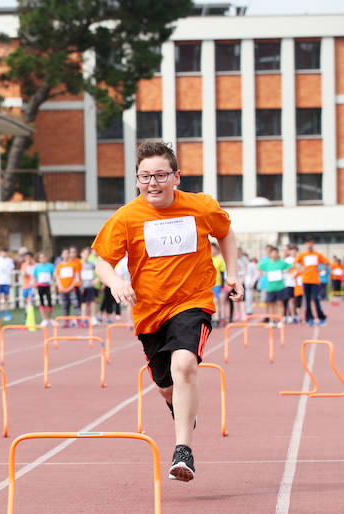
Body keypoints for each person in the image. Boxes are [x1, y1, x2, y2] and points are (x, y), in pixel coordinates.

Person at [94, 139, 242, 483]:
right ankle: (179, 409)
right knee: (165, 385)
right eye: (145, 176)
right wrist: (115, 281)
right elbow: (103, 262)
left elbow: (226, 234)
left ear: (176, 177)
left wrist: (232, 273)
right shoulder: (127, 217)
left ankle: (183, 450)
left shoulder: (201, 207)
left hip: (192, 302)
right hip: (149, 313)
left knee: (185, 364)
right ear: (136, 180)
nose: (153, 183)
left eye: (160, 175)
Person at [294, 238, 328, 326]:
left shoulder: (317, 254)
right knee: (307, 300)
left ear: (313, 244)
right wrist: (300, 268)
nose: (309, 245)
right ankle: (310, 318)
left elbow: (327, 262)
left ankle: (321, 317)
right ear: (306, 244)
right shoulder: (303, 255)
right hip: (305, 280)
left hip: (315, 280)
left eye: (311, 243)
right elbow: (295, 263)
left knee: (316, 299)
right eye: (308, 243)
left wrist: (320, 270)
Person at [258, 246, 290, 327]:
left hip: (280, 286)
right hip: (270, 287)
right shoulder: (267, 263)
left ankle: (280, 320)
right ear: (270, 254)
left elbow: (290, 267)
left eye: (276, 253)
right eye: (273, 253)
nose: (275, 254)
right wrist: (264, 273)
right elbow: (258, 267)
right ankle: (272, 320)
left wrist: (285, 271)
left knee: (280, 303)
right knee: (271, 304)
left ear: (278, 254)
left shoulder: (281, 263)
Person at [54, 248, 80, 324]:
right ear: (62, 255)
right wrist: (61, 287)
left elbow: (76, 277)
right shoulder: (59, 266)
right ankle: (66, 321)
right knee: (65, 305)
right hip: (62, 289)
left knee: (75, 304)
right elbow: (58, 278)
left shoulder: (73, 265)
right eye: (64, 253)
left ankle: (79, 320)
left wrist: (70, 287)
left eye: (67, 253)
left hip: (71, 289)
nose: (66, 255)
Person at [0, 246, 15, 321]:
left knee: (6, 298)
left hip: (6, 281)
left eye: (5, 252)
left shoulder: (9, 260)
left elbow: (11, 272)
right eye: (2, 252)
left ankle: (6, 313)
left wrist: (11, 281)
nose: (4, 253)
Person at [33, 252, 54, 326]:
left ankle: (49, 318)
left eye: (44, 257)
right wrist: (34, 287)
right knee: (41, 302)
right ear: (39, 259)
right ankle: (44, 319)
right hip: (40, 286)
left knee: (50, 302)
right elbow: (34, 277)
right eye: (41, 257)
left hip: (48, 286)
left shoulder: (50, 266)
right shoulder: (37, 267)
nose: (43, 259)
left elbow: (53, 276)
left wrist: (54, 286)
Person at [79, 247, 98, 325]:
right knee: (83, 302)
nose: (86, 255)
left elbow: (99, 271)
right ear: (81, 254)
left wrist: (96, 280)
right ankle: (83, 317)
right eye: (85, 254)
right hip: (82, 286)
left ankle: (93, 317)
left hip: (90, 286)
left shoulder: (91, 264)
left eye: (88, 254)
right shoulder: (78, 263)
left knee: (92, 301)